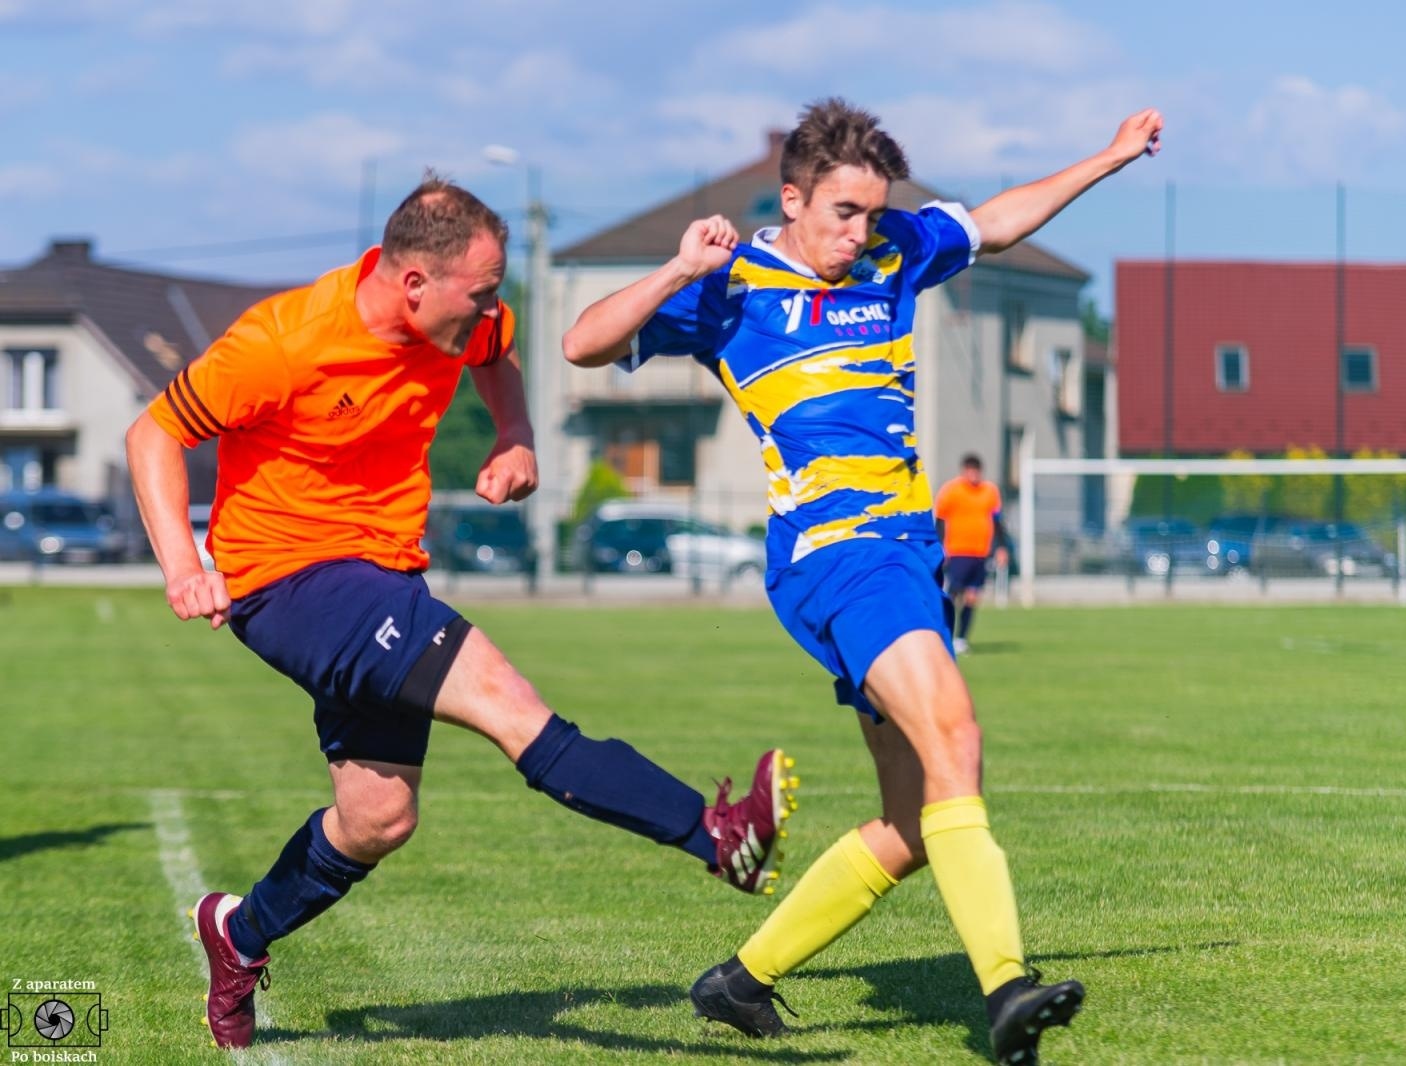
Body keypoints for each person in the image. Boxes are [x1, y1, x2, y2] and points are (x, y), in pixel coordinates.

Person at [124, 174, 797, 1051]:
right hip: (285, 581)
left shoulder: (468, 319)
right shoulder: (282, 342)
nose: (492, 308)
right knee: (509, 705)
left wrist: (515, 435)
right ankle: (718, 836)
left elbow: (497, 357)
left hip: (385, 577)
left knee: (376, 820)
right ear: (414, 284)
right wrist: (184, 563)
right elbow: (154, 434)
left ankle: (237, 934)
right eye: (481, 291)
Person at [562, 98, 1162, 1065]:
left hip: (902, 557)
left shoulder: (892, 254)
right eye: (843, 212)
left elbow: (998, 221)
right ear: (791, 198)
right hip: (840, 556)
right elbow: (582, 342)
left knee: (914, 821)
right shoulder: (731, 287)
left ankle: (740, 982)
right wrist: (678, 267)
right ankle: (1006, 990)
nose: (860, 231)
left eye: (873, 213)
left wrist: (1109, 156)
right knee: (957, 739)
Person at [934, 454, 1008, 654]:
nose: (973, 475)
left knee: (972, 596)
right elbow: (940, 520)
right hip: (957, 551)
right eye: (970, 471)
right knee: (954, 593)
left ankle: (961, 639)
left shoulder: (989, 491)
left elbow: (997, 522)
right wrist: (939, 546)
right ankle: (943, 634)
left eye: (976, 471)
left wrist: (1001, 547)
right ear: (964, 471)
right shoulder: (952, 490)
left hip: (980, 552)